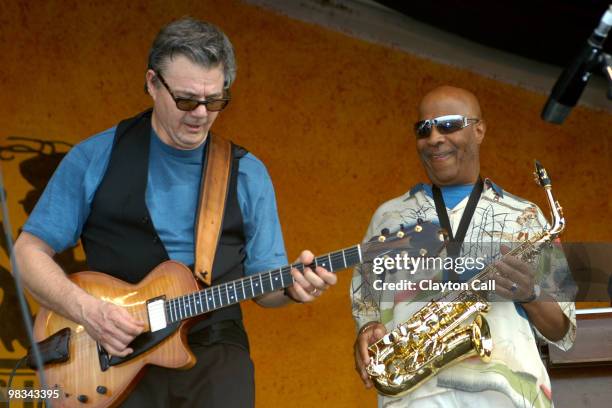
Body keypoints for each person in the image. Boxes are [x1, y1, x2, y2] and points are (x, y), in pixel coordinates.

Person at [13, 17, 336, 407]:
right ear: (152, 83)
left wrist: (294, 290)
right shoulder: (95, 156)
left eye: (214, 100)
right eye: (186, 100)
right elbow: (27, 253)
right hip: (113, 353)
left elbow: (267, 289)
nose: (200, 113)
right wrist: (88, 311)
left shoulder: (247, 172)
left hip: (215, 357)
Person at [352, 86, 575, 408]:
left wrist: (530, 293)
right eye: (423, 129)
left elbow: (561, 330)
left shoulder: (525, 216)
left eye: (448, 124)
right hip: (415, 395)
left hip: (509, 393)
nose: (434, 137)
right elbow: (366, 306)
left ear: (479, 130)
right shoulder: (388, 217)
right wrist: (368, 329)